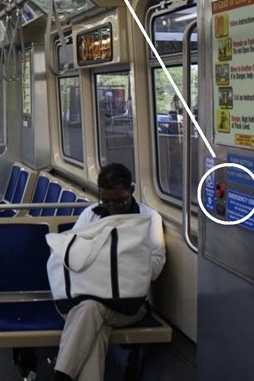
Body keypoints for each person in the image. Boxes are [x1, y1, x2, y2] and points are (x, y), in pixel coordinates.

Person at [52, 163, 166, 381]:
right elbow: (73, 254)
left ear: (131, 191)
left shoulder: (149, 218)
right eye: (107, 201)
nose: (113, 207)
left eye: (119, 200)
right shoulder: (91, 215)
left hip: (128, 305)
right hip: (90, 299)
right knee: (95, 328)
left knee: (90, 309)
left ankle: (61, 376)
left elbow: (156, 265)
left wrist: (124, 265)